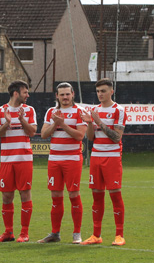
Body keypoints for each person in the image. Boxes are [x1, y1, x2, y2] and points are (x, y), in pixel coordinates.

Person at [37, 82, 87, 245]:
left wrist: (63, 124)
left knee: (73, 195)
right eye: (61, 94)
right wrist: (55, 123)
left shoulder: (80, 112)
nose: (65, 97)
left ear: (73, 94)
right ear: (56, 96)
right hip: (54, 160)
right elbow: (44, 134)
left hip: (72, 159)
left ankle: (76, 233)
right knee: (55, 196)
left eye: (67, 94)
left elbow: (80, 136)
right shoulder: (51, 112)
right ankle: (55, 233)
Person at [81, 78, 127, 246]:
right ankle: (96, 235)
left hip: (112, 157)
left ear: (111, 92)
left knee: (115, 195)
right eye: (98, 91)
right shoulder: (94, 110)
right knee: (96, 196)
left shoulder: (118, 110)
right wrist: (89, 123)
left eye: (103, 91)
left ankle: (119, 235)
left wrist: (98, 121)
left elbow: (116, 137)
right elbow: (91, 137)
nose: (100, 94)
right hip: (96, 157)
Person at [0, 80, 37, 242]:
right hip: (6, 160)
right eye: (25, 92)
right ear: (16, 93)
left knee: (25, 194)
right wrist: (7, 123)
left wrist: (22, 119)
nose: (27, 95)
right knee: (6, 197)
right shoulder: (0, 111)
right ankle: (8, 232)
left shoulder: (29, 110)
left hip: (24, 159)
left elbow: (32, 132)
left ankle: (24, 233)